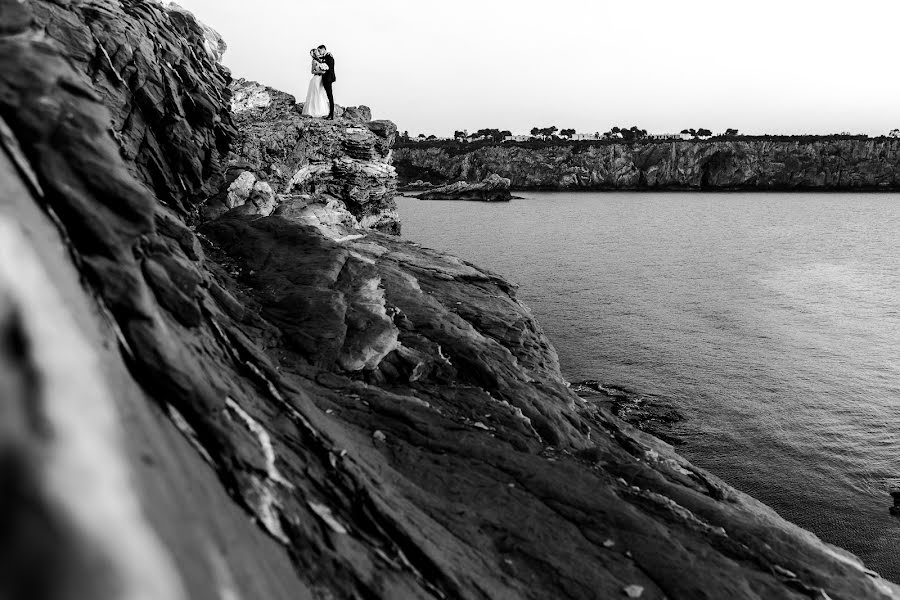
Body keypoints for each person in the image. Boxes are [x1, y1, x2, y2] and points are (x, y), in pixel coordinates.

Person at [301, 48, 329, 118]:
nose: (318, 52)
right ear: (314, 54)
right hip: (316, 78)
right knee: (316, 94)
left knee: (321, 93)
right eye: (316, 52)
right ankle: (313, 111)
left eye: (318, 51)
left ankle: (322, 110)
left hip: (320, 79)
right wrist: (320, 72)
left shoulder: (320, 60)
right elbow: (312, 71)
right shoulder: (314, 61)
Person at [317, 44, 336, 120]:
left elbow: (330, 68)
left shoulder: (329, 57)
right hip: (325, 79)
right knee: (328, 96)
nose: (319, 52)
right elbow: (320, 58)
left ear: (323, 49)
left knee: (330, 96)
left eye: (319, 50)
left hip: (328, 79)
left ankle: (331, 115)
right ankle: (329, 114)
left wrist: (323, 69)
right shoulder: (326, 56)